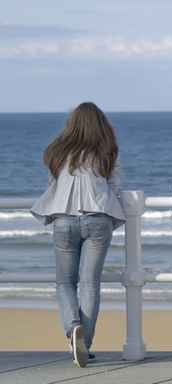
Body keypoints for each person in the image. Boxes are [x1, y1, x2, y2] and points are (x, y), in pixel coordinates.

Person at [31, 102, 125, 367]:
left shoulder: (57, 152)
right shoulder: (107, 152)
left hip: (64, 220)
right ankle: (84, 343)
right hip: (97, 220)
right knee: (90, 283)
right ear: (100, 124)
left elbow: (53, 186)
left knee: (64, 283)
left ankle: (73, 329)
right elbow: (115, 187)